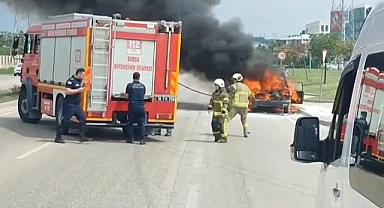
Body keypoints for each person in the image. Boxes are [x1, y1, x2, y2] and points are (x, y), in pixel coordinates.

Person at [55, 68, 88, 143]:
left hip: (76, 105)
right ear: (78, 74)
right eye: (83, 75)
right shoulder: (71, 81)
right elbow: (68, 91)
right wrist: (78, 90)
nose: (84, 77)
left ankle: (82, 136)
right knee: (65, 121)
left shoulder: (80, 82)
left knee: (83, 119)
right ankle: (58, 137)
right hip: (69, 105)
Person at [227, 73, 253, 138]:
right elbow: (250, 96)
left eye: (234, 80)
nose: (233, 81)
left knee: (227, 118)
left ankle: (222, 130)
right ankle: (246, 132)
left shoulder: (235, 85)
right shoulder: (246, 87)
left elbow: (229, 89)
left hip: (235, 106)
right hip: (244, 107)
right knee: (244, 120)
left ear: (236, 80)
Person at [124, 72, 146, 145]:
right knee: (141, 123)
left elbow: (126, 97)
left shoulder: (129, 86)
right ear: (139, 77)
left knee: (130, 123)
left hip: (133, 106)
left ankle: (131, 139)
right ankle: (142, 140)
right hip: (141, 107)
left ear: (133, 77)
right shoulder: (143, 86)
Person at [208, 78, 229, 143]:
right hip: (216, 113)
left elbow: (226, 103)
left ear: (220, 86)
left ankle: (223, 138)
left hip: (222, 114)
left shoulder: (224, 94)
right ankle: (217, 137)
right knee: (214, 125)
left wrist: (224, 110)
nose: (215, 87)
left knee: (222, 126)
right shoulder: (214, 94)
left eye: (216, 86)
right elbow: (211, 101)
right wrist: (210, 107)